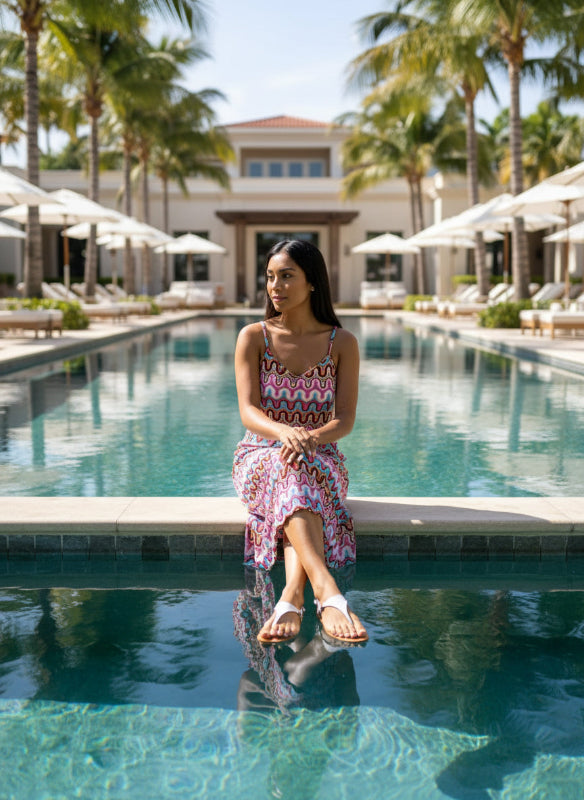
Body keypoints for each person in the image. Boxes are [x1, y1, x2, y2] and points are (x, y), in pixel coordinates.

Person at [232, 239, 368, 645]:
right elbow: (248, 411)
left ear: (312, 283)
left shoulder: (341, 343)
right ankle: (326, 590)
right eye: (271, 277)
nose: (275, 285)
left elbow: (344, 420)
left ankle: (291, 594)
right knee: (287, 465)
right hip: (259, 454)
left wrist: (308, 437)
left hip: (322, 454)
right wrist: (284, 433)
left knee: (296, 468)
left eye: (287, 276)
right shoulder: (253, 337)